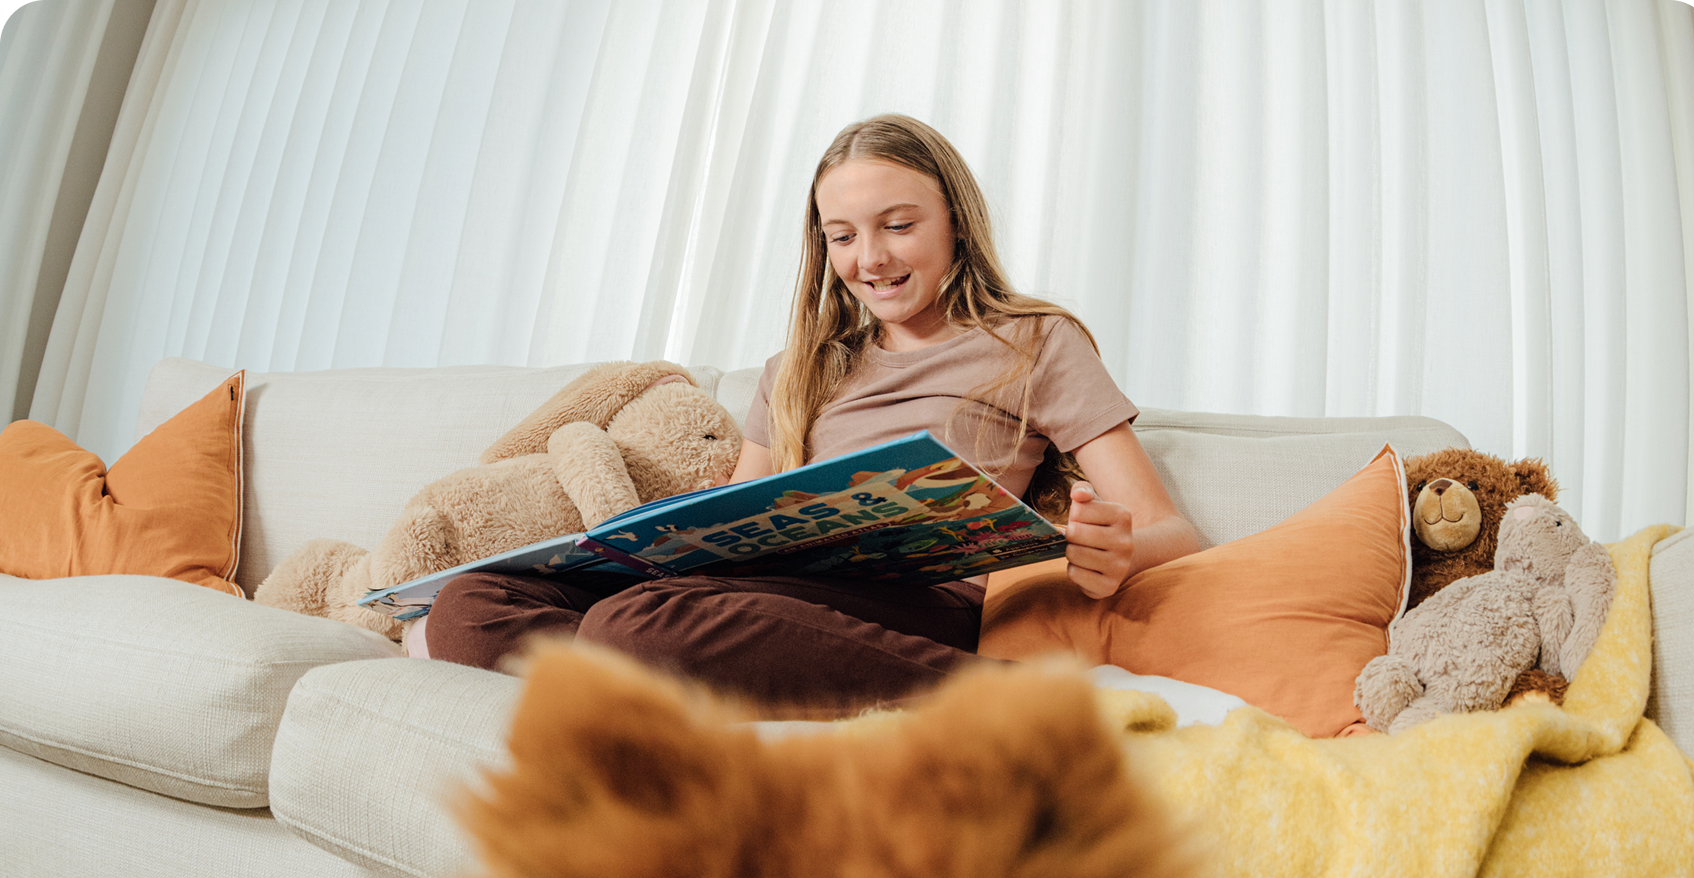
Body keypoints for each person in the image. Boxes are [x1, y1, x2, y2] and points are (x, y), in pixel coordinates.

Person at [422, 113, 1199, 711]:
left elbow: (1170, 528)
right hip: (766, 591)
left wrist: (1109, 551)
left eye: (899, 225)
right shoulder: (796, 370)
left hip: (917, 600)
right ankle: (679, 688)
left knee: (640, 626)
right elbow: (734, 512)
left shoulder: (1034, 342)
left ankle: (1001, 698)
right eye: (843, 236)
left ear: (954, 221)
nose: (872, 259)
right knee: (471, 607)